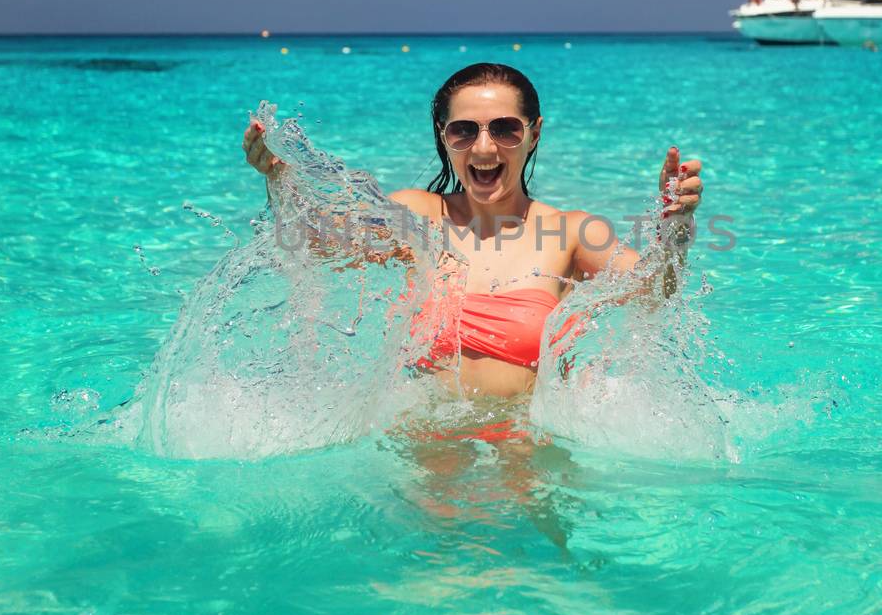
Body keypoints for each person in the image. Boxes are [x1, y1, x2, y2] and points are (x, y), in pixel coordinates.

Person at [243, 62, 703, 400]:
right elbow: (313, 246)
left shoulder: (572, 233)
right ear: (444, 137)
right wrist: (280, 181)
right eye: (464, 131)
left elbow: (655, 289)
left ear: (534, 133)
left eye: (504, 128)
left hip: (528, 457)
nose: (484, 147)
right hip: (425, 449)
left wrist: (675, 230)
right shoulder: (415, 217)